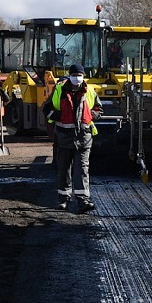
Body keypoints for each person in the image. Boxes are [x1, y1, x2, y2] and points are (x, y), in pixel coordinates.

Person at [43, 63, 100, 212]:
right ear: (70, 76)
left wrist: (90, 116)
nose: (77, 78)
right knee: (64, 169)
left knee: (82, 169)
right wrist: (58, 116)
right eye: (74, 75)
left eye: (79, 75)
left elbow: (98, 109)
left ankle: (83, 200)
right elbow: (46, 108)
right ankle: (64, 199)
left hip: (84, 137)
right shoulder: (59, 89)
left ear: (83, 76)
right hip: (63, 137)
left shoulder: (90, 91)